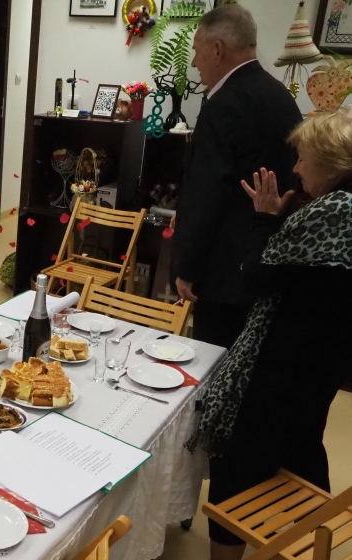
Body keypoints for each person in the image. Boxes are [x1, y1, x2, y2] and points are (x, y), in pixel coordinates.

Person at [187, 110, 352, 560]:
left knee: (237, 469)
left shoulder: (332, 213)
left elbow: (257, 277)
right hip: (322, 363)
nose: (296, 167)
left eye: (302, 157)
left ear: (329, 161)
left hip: (282, 366)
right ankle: (313, 541)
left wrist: (263, 220)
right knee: (302, 449)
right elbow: (302, 275)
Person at [173, 4, 301, 349]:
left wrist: (187, 268)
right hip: (267, 259)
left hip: (223, 271)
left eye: (197, 52)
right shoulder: (281, 97)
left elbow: (208, 193)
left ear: (217, 50)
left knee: (213, 360)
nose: (195, 63)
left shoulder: (223, 106)